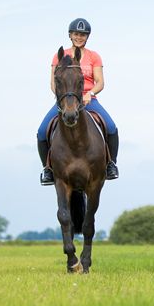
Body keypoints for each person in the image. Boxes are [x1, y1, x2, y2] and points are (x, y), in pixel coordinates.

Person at [36, 18, 119, 185]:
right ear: (70, 35)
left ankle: (110, 164)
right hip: (65, 100)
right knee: (42, 131)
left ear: (87, 37)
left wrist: (89, 93)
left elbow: (100, 82)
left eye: (83, 35)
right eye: (76, 34)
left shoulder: (93, 56)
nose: (79, 37)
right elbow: (53, 82)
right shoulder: (59, 56)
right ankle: (48, 169)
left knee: (111, 127)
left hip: (88, 99)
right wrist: (62, 99)